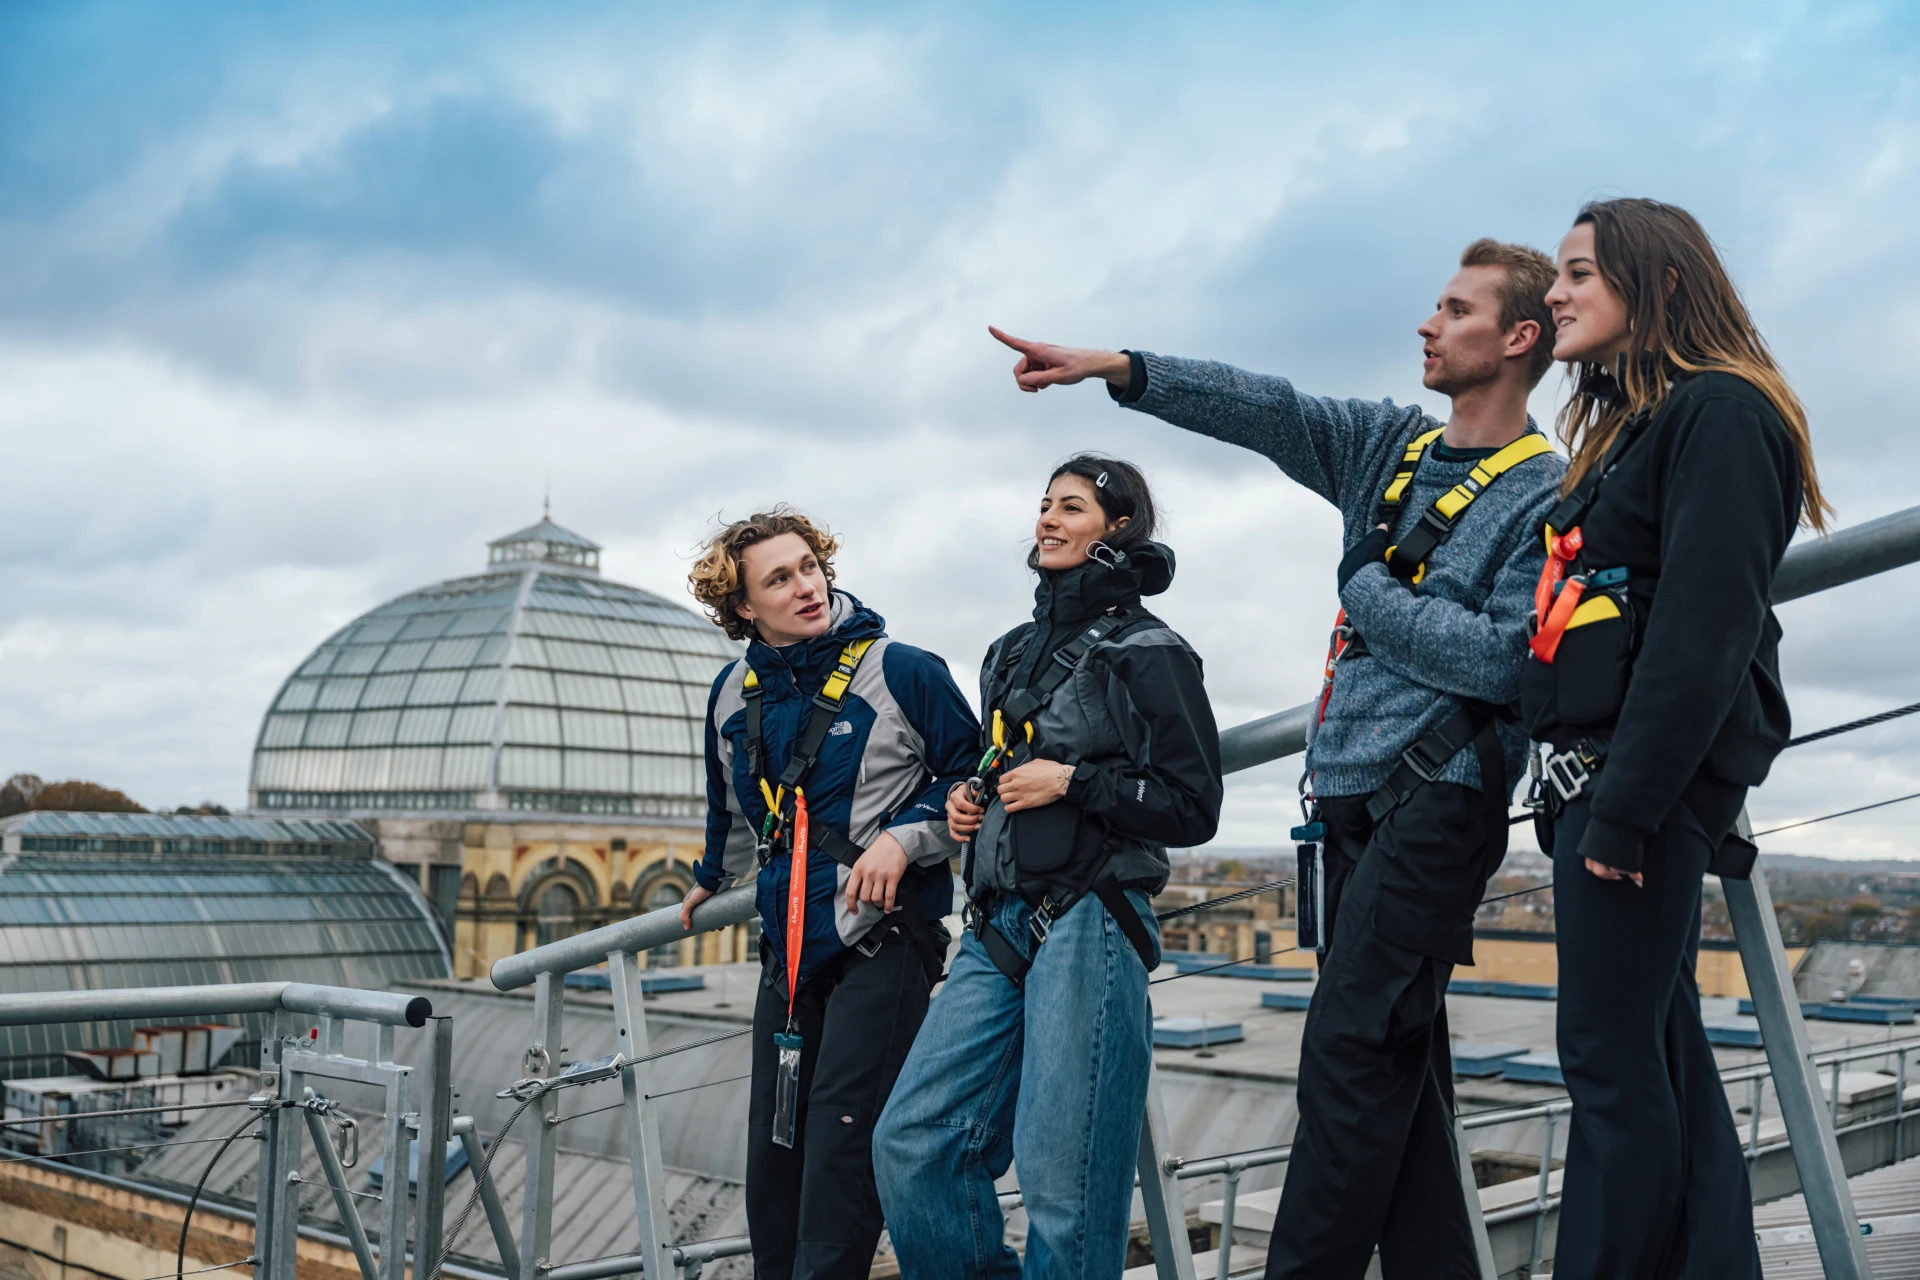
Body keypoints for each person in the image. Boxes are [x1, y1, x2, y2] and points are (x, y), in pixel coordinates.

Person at [984, 239, 1565, 1280]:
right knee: (1401, 1067)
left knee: (1345, 1053)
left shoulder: (1545, 493)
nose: (1427, 325)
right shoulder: (1389, 445)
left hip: (1441, 798)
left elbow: (1504, 658)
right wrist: (1119, 368)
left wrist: (1367, 588)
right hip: (1347, 805)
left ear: (1520, 338)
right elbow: (1268, 407)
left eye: (1456, 309)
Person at [1523, 197, 1830, 1279]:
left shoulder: (1723, 415)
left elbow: (1705, 625)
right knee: (1664, 1059)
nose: (1552, 293)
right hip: (1604, 783)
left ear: (1653, 284)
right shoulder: (1645, 427)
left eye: (1576, 274)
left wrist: (1629, 803)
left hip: (1635, 792)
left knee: (1608, 1068)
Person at [872, 455, 1222, 1280]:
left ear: (1120, 527)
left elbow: (1192, 804)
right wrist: (972, 801)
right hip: (997, 922)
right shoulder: (1010, 652)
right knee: (914, 1140)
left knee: (1064, 1181)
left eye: (1072, 507)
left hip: (1091, 921)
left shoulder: (1151, 650)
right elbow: (1006, 767)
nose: (1049, 520)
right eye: (1044, 505)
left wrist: (1072, 781)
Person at [680, 507, 979, 1280]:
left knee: (842, 1147)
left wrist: (904, 838)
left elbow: (976, 779)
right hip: (786, 949)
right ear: (744, 607)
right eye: (779, 578)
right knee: (773, 1145)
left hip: (882, 938)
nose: (806, 586)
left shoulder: (903, 670)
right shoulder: (731, 691)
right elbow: (732, 805)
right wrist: (709, 879)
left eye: (809, 566)